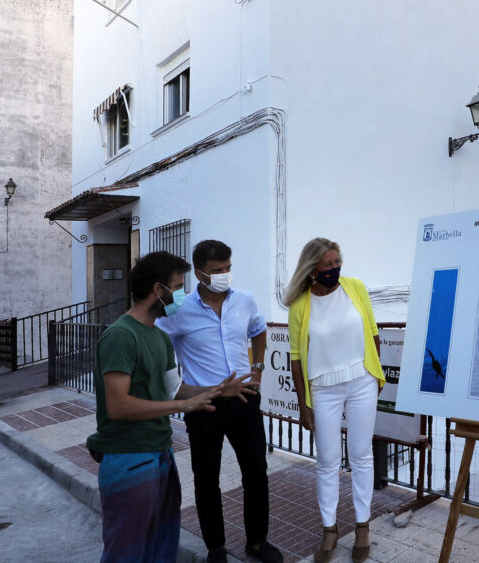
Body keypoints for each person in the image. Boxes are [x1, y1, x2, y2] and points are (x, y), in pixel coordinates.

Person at [86, 251, 232, 563]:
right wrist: (183, 404)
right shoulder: (120, 336)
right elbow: (118, 406)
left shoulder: (160, 338)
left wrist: (217, 390)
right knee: (126, 553)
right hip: (129, 459)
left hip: (160, 456)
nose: (182, 295)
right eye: (178, 287)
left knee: (160, 549)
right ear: (158, 290)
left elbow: (174, 390)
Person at [155, 240, 282, 563]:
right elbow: (157, 342)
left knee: (256, 472)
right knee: (206, 478)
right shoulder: (178, 308)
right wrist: (177, 386)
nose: (225, 275)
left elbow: (259, 330)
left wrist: (257, 369)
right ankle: (215, 547)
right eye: (217, 271)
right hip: (205, 404)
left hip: (245, 398)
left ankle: (257, 541)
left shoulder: (245, 300)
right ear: (199, 273)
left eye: (228, 268)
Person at [284, 238, 385, 563]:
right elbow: (296, 359)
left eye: (337, 262)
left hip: (361, 381)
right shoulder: (300, 305)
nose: (335, 269)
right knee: (327, 461)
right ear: (313, 269)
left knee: (361, 456)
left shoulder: (355, 287)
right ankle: (329, 529)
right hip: (323, 389)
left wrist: (375, 374)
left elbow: (373, 332)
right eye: (328, 265)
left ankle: (362, 526)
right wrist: (304, 404)